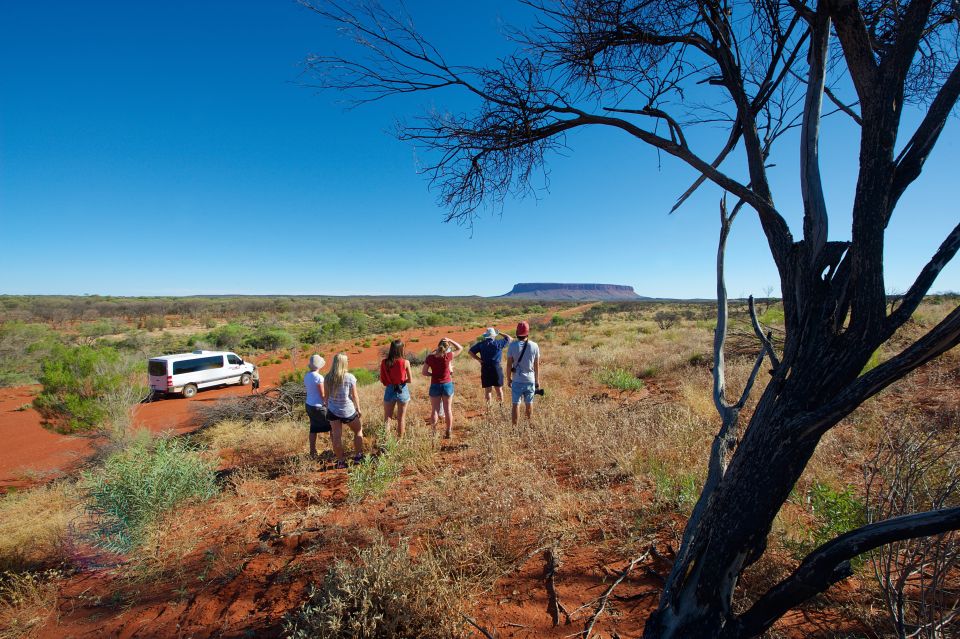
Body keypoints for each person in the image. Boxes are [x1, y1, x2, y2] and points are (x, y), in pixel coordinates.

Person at [324, 352, 364, 469]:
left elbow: (326, 397)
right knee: (358, 431)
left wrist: (328, 407)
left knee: (336, 437)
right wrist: (358, 408)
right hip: (348, 410)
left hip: (333, 410)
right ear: (344, 363)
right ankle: (358, 456)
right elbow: (355, 396)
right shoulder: (350, 377)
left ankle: (341, 462)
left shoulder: (327, 377)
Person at [422, 337, 463, 438]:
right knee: (447, 409)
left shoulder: (430, 357)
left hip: (435, 385)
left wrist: (433, 375)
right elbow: (460, 348)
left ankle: (434, 432)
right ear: (447, 347)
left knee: (435, 410)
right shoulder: (448, 356)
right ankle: (448, 431)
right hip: (447, 385)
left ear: (438, 346)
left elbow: (424, 372)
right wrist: (450, 339)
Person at [506, 321, 541, 426]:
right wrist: (537, 381)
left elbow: (508, 365)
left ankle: (514, 429)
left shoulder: (512, 346)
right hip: (530, 380)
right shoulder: (534, 346)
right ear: (527, 332)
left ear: (517, 332)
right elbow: (536, 366)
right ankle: (528, 426)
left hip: (517, 380)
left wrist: (508, 379)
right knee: (529, 404)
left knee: (515, 405)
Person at [469, 327, 512, 406]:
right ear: (494, 336)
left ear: (486, 336)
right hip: (496, 368)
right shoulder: (499, 343)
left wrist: (479, 360)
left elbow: (470, 352)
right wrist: (499, 332)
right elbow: (509, 338)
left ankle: (489, 409)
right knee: (499, 389)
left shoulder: (481, 344)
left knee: (488, 390)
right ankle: (501, 408)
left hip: (485, 367)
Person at [379, 339, 413, 438]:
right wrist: (401, 382)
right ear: (401, 349)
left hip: (390, 390)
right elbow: (410, 380)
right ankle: (400, 441)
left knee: (387, 418)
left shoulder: (384, 362)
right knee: (401, 418)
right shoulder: (405, 362)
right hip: (402, 389)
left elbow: (382, 380)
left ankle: (386, 442)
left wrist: (391, 382)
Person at [303, 354, 328, 458]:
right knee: (332, 427)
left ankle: (312, 451)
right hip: (318, 406)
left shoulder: (307, 375)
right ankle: (336, 448)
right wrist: (327, 402)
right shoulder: (319, 377)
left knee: (313, 428)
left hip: (309, 405)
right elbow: (322, 394)